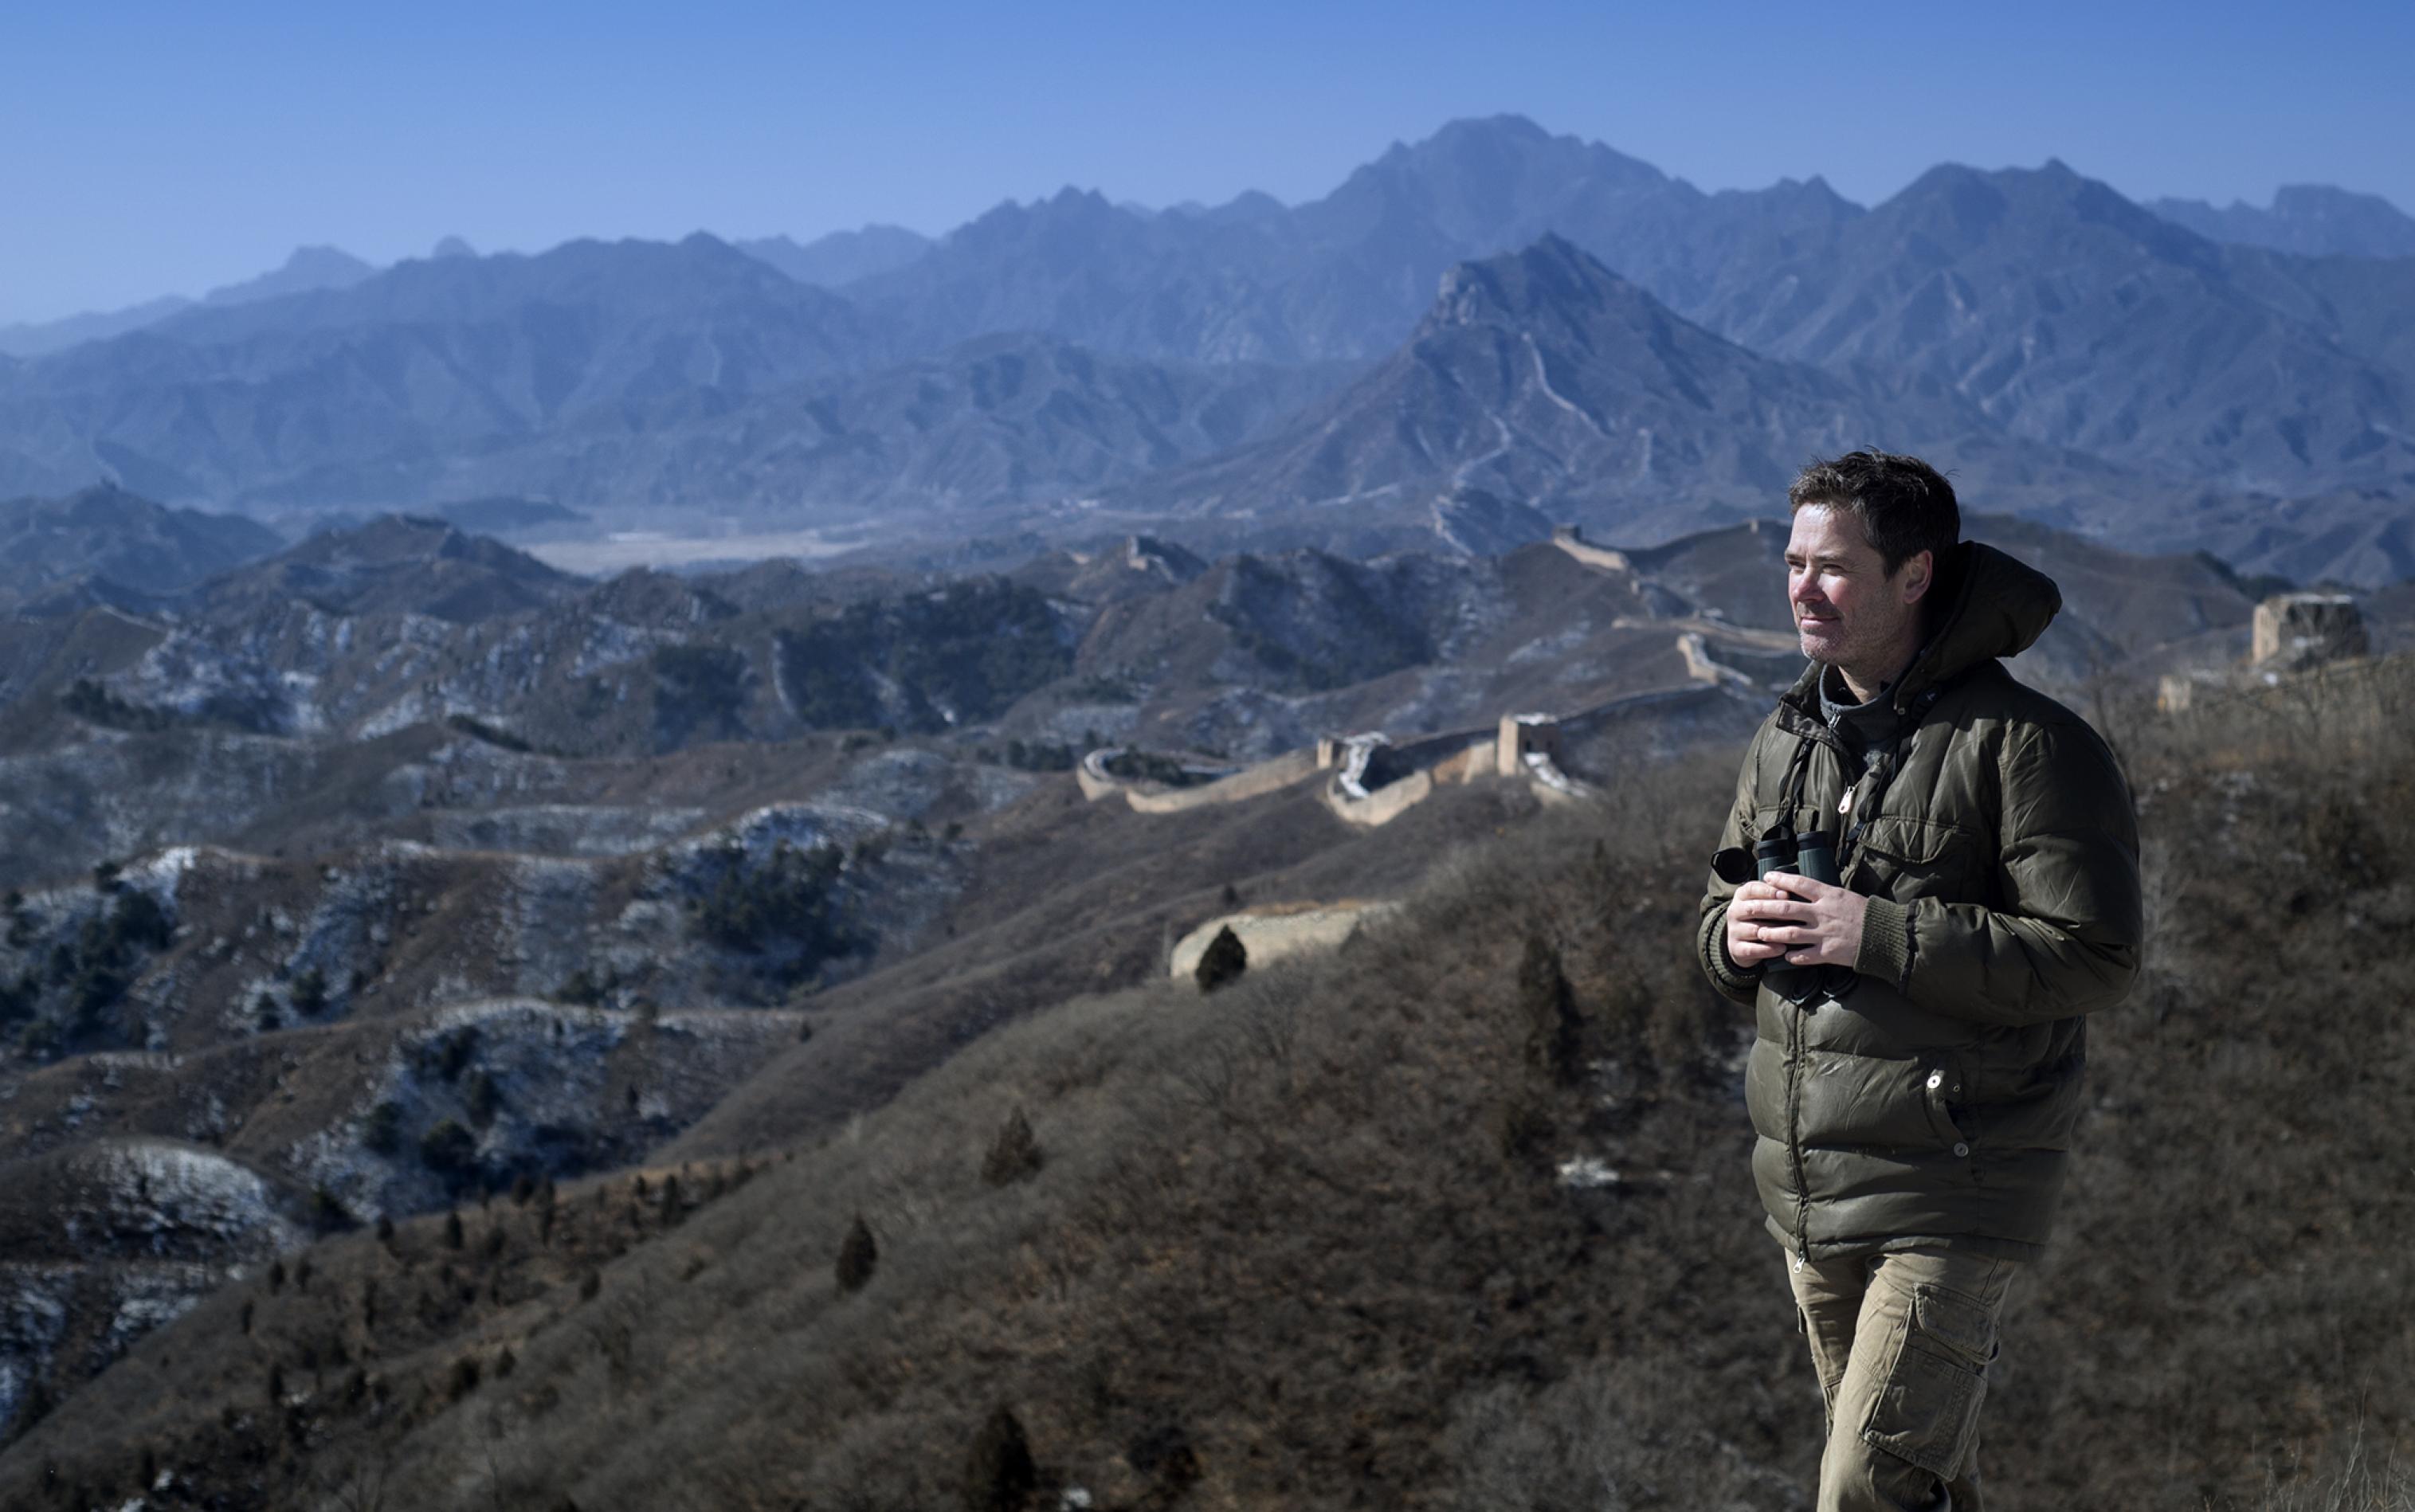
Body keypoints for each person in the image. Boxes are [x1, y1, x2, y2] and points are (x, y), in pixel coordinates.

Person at [1694, 451, 2143, 1511]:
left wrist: (1878, 931)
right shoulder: (1786, 740)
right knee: (1923, 1486)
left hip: (1955, 1182)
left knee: (1863, 1488)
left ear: (1915, 576)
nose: (1805, 587)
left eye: (1835, 567)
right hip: (1810, 1190)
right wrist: (1734, 936)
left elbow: (2096, 955)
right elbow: (1712, 931)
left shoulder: (2032, 748)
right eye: (1795, 562)